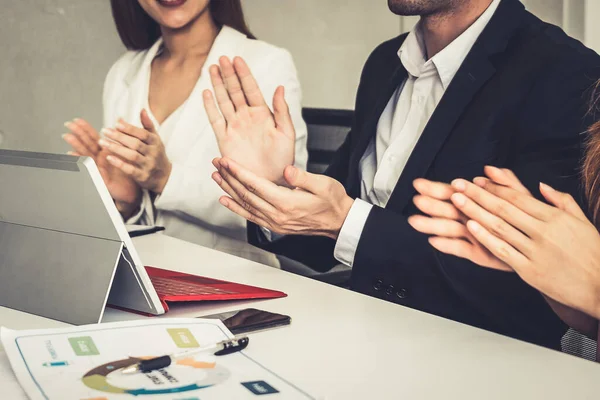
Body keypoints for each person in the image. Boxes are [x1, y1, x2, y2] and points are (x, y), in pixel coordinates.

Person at [204, 0, 600, 350]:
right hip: (356, 335)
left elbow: (529, 297)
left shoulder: (566, 72)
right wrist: (275, 188)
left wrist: (345, 222)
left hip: (474, 364)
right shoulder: (384, 63)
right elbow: (331, 236)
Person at [62, 0, 308, 267]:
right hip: (144, 285)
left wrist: (167, 179)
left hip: (236, 288)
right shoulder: (123, 71)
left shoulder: (266, 63)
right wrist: (130, 204)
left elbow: (287, 218)